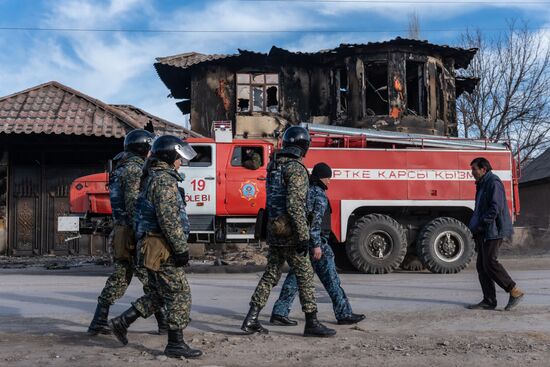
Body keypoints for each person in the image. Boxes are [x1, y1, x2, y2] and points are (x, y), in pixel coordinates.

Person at [108, 135, 202, 359]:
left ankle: (123, 321)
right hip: (163, 247)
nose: (181, 162)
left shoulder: (154, 176)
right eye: (179, 158)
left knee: (161, 293)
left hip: (153, 245)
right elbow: (169, 220)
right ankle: (175, 344)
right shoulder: (163, 180)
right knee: (180, 294)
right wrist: (181, 249)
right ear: (170, 156)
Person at [241, 126, 336, 338]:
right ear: (304, 147)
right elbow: (295, 206)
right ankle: (312, 323)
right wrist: (304, 236)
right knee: (305, 277)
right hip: (292, 234)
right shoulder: (296, 168)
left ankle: (251, 318)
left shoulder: (273, 168)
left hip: (275, 231)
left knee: (270, 275)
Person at [87, 129, 169, 336]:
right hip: (133, 233)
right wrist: (145, 233)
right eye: (150, 147)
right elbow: (135, 206)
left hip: (121, 231)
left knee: (121, 276)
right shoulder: (134, 170)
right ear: (143, 148)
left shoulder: (120, 168)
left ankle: (99, 320)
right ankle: (163, 322)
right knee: (151, 277)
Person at [271, 163, 365, 325]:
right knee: (331, 279)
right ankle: (344, 314)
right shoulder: (319, 195)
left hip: (303, 242)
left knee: (295, 278)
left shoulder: (307, 191)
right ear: (322, 177)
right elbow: (315, 224)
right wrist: (316, 246)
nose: (329, 181)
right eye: (328, 178)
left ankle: (279, 311)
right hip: (317, 243)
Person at [467, 157, 524, 311]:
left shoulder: (493, 182)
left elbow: (495, 207)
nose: (472, 172)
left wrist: (482, 224)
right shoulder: (483, 184)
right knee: (482, 266)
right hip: (484, 230)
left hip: (493, 230)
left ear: (483, 169)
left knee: (490, 263)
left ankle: (514, 291)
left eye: (474, 169)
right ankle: (489, 300)